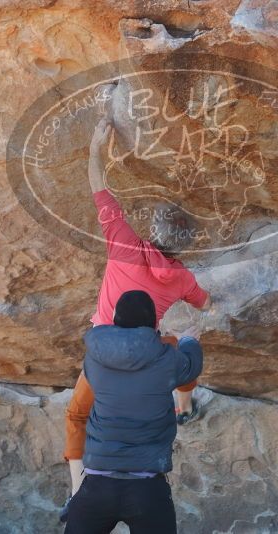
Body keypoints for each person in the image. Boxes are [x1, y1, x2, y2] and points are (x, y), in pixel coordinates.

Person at [61, 113, 211, 518]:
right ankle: (185, 405)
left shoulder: (123, 243)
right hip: (150, 355)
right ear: (183, 246)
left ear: (152, 229)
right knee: (182, 346)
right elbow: (204, 304)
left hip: (103, 353)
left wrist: (96, 146)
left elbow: (99, 188)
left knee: (78, 414)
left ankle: (77, 491)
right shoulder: (181, 277)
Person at [64, 290, 203, 534]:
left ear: (114, 318)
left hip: (96, 486)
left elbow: (77, 414)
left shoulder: (94, 360)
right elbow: (190, 367)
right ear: (155, 324)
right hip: (147, 488)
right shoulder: (167, 359)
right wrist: (189, 341)